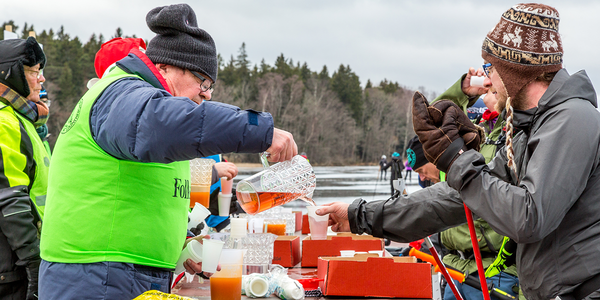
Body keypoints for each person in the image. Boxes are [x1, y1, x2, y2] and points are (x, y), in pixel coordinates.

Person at [320, 3, 599, 299]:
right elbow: (455, 200)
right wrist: (360, 216)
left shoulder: (572, 119)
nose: (488, 80)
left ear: (517, 71)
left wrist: (459, 161)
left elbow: (529, 218)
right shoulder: (529, 128)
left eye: (493, 67)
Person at [38, 4, 297, 300]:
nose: (207, 93)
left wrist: (181, 245)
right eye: (203, 81)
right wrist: (258, 130)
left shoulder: (138, 99)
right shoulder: (124, 94)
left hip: (119, 273)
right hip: (96, 275)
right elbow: (163, 125)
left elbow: (143, 189)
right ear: (164, 67)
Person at [406, 136, 519, 300]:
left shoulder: (474, 172)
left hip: (491, 275)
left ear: (433, 159)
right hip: (456, 272)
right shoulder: (443, 182)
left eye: (421, 170)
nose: (421, 178)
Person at [0, 37, 49, 300]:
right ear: (11, 74)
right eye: (33, 72)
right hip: (13, 266)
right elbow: (9, 198)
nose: (41, 79)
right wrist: (33, 261)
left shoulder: (23, 119)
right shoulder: (4, 122)